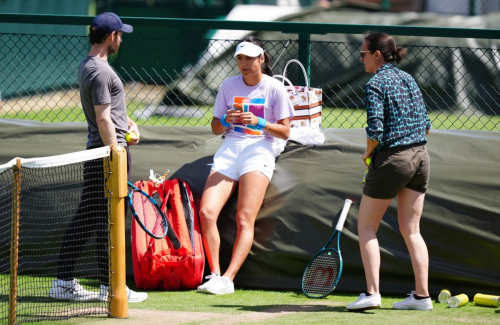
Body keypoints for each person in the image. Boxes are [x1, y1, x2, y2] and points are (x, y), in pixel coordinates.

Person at [49, 12, 147, 303]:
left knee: (90, 218)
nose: (122, 39)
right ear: (110, 37)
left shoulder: (90, 65)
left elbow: (110, 115)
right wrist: (116, 151)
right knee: (107, 220)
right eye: (120, 34)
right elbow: (103, 119)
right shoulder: (101, 71)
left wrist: (129, 125)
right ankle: (109, 287)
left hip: (102, 150)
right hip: (107, 153)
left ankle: (69, 281)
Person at [196, 36, 294, 295]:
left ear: (261, 59)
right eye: (240, 58)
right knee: (206, 212)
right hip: (230, 149)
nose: (244, 64)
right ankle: (215, 274)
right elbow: (216, 127)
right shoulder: (228, 86)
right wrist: (227, 120)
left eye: (250, 58)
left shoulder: (274, 88)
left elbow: (285, 132)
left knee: (244, 218)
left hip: (260, 149)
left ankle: (229, 279)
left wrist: (259, 123)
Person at [346, 32, 432, 311]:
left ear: (377, 55)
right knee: (412, 229)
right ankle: (422, 297)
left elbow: (376, 129)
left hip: (394, 159)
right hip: (421, 157)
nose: (361, 60)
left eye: (363, 55)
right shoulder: (409, 79)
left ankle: (372, 293)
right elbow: (427, 125)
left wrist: (369, 152)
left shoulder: (375, 85)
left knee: (366, 227)